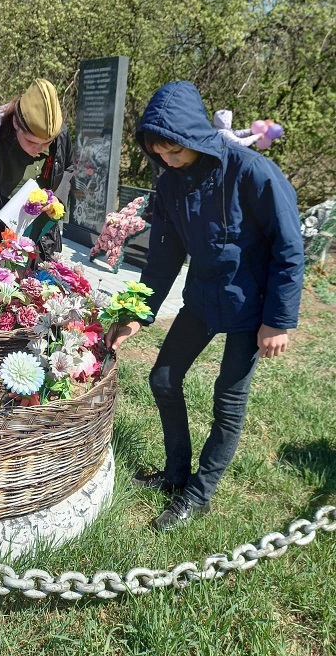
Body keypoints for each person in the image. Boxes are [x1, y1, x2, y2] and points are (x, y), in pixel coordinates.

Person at [108, 80, 304, 530]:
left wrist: (277, 320)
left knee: (227, 400)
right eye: (159, 154)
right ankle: (177, 471)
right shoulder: (171, 184)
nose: (167, 161)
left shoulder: (254, 172)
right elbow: (163, 257)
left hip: (251, 307)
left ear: (194, 136)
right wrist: (138, 314)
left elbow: (289, 249)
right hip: (201, 300)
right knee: (162, 378)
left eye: (175, 152)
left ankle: (199, 493)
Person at [0, 78, 74, 259]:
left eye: (46, 144)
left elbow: (68, 168)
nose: (39, 149)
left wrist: (57, 199)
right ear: (16, 124)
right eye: (31, 142)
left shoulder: (60, 134)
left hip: (41, 236)